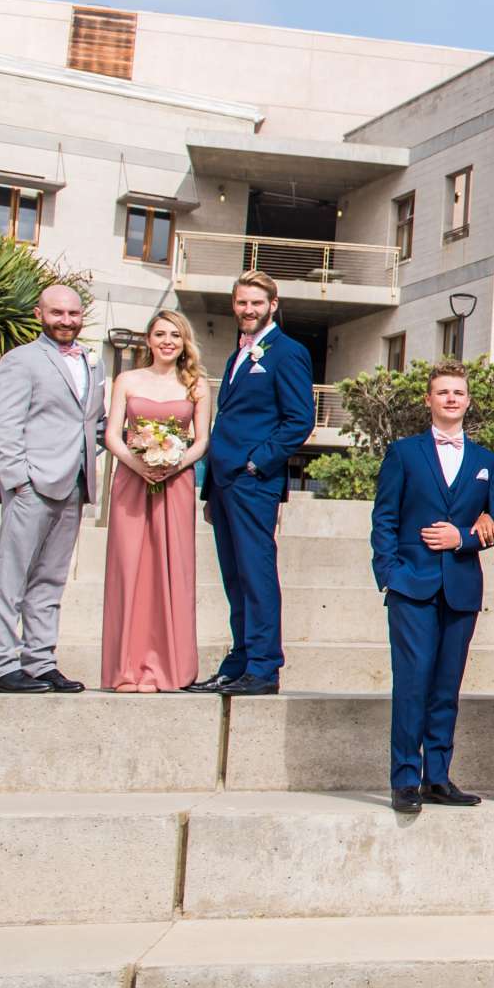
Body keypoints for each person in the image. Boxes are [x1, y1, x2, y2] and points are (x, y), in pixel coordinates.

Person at [370, 363, 494, 815]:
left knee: (447, 686)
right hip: (412, 583)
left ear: (469, 401)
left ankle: (438, 777)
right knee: (412, 683)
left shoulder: (487, 462)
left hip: (461, 587)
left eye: (459, 392)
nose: (451, 398)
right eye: (443, 392)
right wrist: (389, 573)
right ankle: (405, 779)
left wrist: (464, 538)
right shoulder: (404, 453)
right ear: (429, 400)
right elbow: (385, 518)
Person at [187, 271, 315, 697]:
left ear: (273, 305)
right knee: (234, 577)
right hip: (224, 486)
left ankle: (263, 666)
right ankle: (239, 660)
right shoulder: (237, 354)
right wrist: (211, 490)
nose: (248, 310)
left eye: (256, 303)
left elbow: (299, 419)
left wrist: (256, 464)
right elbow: (228, 421)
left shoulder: (288, 352)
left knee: (256, 574)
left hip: (252, 481)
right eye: (242, 303)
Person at [0, 284, 104, 694]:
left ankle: (40, 662)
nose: (66, 320)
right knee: (11, 577)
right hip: (32, 485)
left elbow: (94, 423)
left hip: (75, 484)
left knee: (51, 580)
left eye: (73, 313)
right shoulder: (20, 360)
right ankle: (0, 665)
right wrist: (18, 479)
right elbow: (4, 424)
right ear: (39, 314)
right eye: (57, 313)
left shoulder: (92, 362)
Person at [100, 309, 211, 692]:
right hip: (131, 481)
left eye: (175, 335)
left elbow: (202, 440)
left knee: (172, 569)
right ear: (148, 339)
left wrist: (174, 462)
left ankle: (170, 669)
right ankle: (125, 670)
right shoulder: (127, 380)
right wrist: (137, 463)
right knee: (128, 568)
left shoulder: (196, 385)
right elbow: (113, 434)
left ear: (184, 342)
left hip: (175, 482)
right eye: (161, 334)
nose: (168, 341)